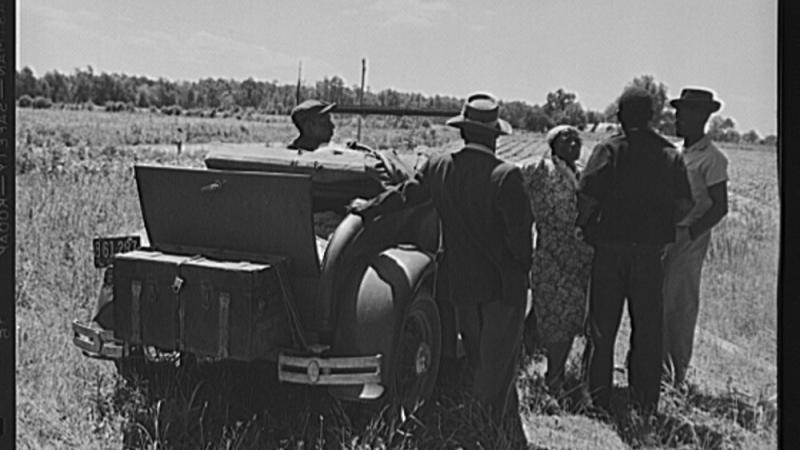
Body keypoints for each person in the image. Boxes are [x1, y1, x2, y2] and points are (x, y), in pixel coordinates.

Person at [348, 92, 532, 445]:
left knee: (479, 358)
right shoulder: (506, 177)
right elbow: (521, 246)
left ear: (463, 132)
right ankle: (488, 433)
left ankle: (491, 428)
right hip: (502, 287)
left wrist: (366, 208)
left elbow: (405, 196)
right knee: (499, 365)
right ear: (494, 136)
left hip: (462, 282)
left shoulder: (438, 167)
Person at [576, 86, 693, 415]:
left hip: (609, 250)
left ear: (621, 116)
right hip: (648, 254)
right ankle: (644, 401)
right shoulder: (670, 154)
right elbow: (685, 204)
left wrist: (585, 226)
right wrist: (659, 227)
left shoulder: (608, 151)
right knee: (647, 328)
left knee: (602, 325)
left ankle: (597, 396)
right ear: (652, 117)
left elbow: (587, 198)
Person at [662, 88, 729, 386]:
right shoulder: (675, 151)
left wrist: (691, 233)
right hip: (664, 236)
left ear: (701, 117)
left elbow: (720, 206)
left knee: (680, 304)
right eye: (677, 112)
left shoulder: (712, 158)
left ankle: (677, 375)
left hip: (689, 238)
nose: (678, 118)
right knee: (658, 302)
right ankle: (658, 368)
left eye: (684, 113)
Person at [521, 125, 593, 400]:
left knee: (564, 317)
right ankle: (551, 380)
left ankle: (543, 369)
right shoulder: (539, 169)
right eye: (567, 138)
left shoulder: (581, 172)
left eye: (577, 138)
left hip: (580, 259)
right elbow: (508, 182)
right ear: (552, 144)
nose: (574, 142)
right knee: (554, 320)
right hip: (551, 256)